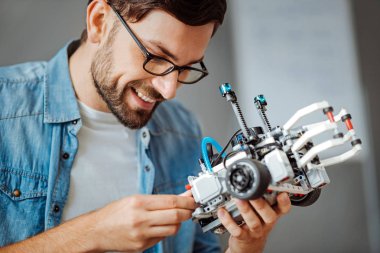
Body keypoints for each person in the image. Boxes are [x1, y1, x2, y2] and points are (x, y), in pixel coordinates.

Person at [0, 0, 291, 252]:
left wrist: (246, 247)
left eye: (186, 68)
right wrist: (92, 233)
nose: (169, 90)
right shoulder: (5, 109)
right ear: (99, 22)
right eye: (155, 57)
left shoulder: (183, 129)